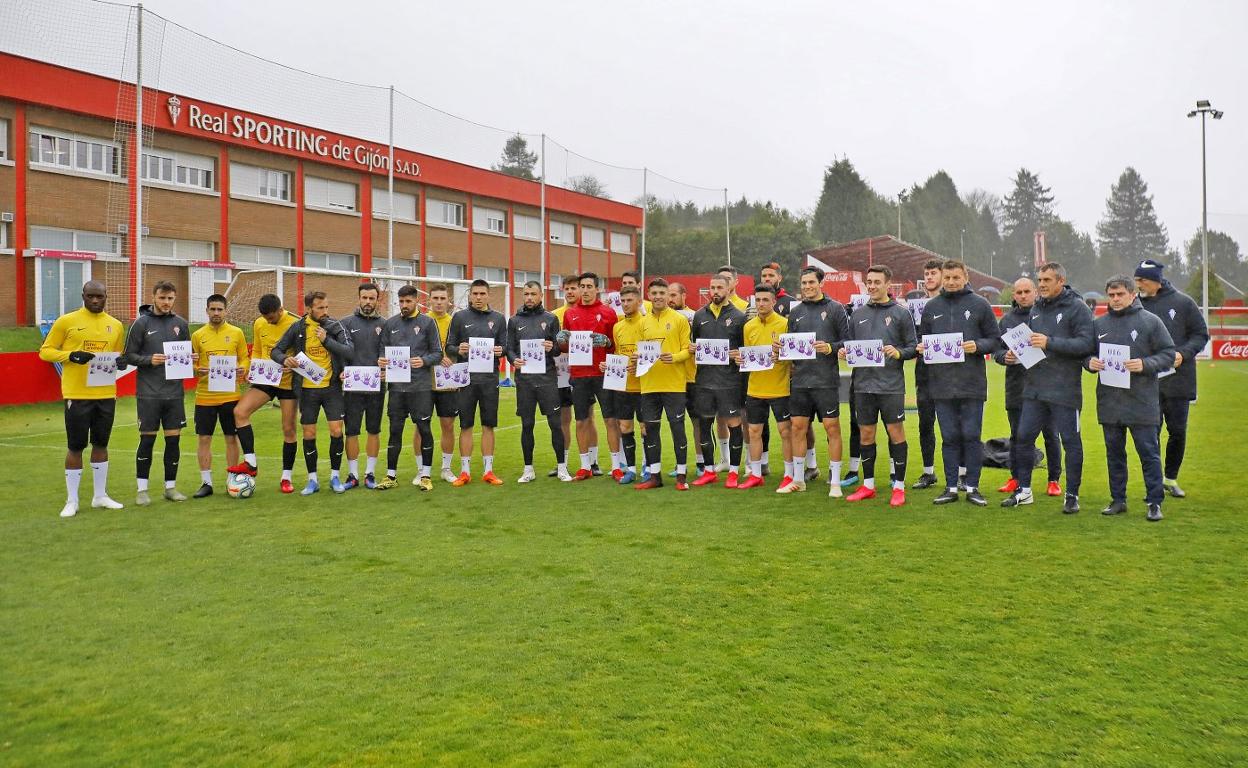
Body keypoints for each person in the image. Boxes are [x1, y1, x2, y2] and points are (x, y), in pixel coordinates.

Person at [1002, 262, 1095, 513]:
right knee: (1022, 439)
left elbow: (1087, 344)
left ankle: (1072, 495)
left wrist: (1049, 342)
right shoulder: (1035, 310)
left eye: (1046, 280)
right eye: (1040, 280)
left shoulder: (1077, 308)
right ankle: (1024, 491)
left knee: (1070, 442)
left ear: (1061, 281)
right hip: (1034, 389)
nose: (1041, 284)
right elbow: (1034, 345)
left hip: (1064, 391)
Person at [1084, 276, 1176, 521]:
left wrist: (1145, 364)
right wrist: (1089, 363)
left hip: (1142, 401)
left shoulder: (1150, 322)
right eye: (1111, 295)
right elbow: (1086, 354)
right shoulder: (1098, 324)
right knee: (1114, 453)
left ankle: (1155, 502)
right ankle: (1118, 500)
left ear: (1133, 294)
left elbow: (1169, 354)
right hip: (1109, 400)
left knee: (1148, 453)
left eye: (1120, 295)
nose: (1115, 299)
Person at [915, 259, 1002, 506]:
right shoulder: (932, 307)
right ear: (942, 278)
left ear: (966, 276)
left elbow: (995, 340)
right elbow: (923, 340)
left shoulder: (980, 305)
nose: (951, 282)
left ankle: (972, 487)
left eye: (956, 277)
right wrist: (922, 347)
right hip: (941, 385)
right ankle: (951, 487)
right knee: (950, 437)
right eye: (948, 278)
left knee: (971, 436)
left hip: (972, 384)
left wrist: (978, 346)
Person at [39, 280, 126, 517]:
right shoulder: (67, 321)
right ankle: (72, 500)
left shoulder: (115, 325)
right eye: (91, 296)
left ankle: (100, 496)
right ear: (83, 296)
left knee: (101, 444)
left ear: (106, 296)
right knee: (75, 446)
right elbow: (46, 351)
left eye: (100, 296)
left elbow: (118, 355)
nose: (95, 300)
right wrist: (70, 355)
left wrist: (122, 361)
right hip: (77, 395)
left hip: (106, 393)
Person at [840, 265, 917, 507]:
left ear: (887, 284)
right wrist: (844, 352)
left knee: (896, 434)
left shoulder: (901, 314)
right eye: (869, 282)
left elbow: (913, 347)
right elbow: (850, 345)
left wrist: (898, 352)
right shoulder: (858, 314)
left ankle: (899, 487)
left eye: (876, 282)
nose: (872, 286)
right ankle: (868, 485)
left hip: (891, 386)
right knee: (866, 434)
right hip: (862, 385)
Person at [1136, 258, 1210, 498]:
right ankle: (1155, 482)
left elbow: (1200, 335)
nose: (1139, 285)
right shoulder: (1136, 305)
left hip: (1180, 380)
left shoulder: (1183, 303)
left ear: (1156, 281)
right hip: (1148, 381)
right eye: (1136, 280)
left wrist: (1182, 353)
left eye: (1142, 280)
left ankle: (1171, 478)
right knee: (1151, 432)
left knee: (1177, 431)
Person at [271, 290, 354, 495]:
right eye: (320, 308)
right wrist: (284, 359)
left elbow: (349, 351)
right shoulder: (298, 327)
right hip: (308, 391)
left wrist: (327, 340)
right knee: (309, 433)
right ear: (309, 309)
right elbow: (276, 350)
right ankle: (312, 480)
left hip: (332, 387)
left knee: (336, 431)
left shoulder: (335, 326)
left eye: (326, 307)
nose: (325, 311)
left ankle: (335, 476)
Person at [122, 280, 192, 505]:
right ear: (153, 297)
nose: (166, 302)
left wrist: (191, 359)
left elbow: (185, 356)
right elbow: (128, 356)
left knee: (173, 442)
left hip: (174, 394)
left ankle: (170, 488)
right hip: (149, 394)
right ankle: (142, 489)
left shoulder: (181, 324)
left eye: (170, 298)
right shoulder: (141, 324)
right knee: (147, 441)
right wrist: (149, 360)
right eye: (162, 298)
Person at [782, 266, 849, 496]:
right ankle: (799, 480)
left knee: (832, 428)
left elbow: (847, 342)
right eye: (804, 283)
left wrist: (831, 347)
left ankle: (836, 482)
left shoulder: (835, 309)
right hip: (800, 381)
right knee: (797, 428)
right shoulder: (796, 311)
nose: (808, 287)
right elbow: (791, 347)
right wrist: (781, 350)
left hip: (825, 381)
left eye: (811, 282)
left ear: (821, 283)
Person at [994, 277, 1063, 496]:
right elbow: (996, 350)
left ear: (1035, 292)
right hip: (1016, 386)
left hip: (1046, 385)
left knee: (1050, 434)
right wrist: (1005, 356)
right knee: (1017, 436)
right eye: (1019, 292)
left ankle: (1053, 479)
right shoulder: (1006, 321)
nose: (1023, 295)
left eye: (1027, 291)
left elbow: (1058, 345)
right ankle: (1016, 477)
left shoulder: (1047, 315)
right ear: (1013, 295)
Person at [228, 294, 301, 493]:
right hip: (266, 379)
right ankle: (250, 463)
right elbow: (259, 352)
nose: (269, 321)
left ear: (280, 309)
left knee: (288, 429)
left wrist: (292, 365)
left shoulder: (295, 324)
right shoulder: (259, 323)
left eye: (272, 317)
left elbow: (302, 355)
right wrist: (253, 370)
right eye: (266, 318)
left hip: (288, 383)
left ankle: (286, 477)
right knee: (240, 412)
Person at [374, 285, 443, 491]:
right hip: (396, 388)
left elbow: (437, 353)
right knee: (395, 430)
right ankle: (391, 476)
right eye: (401, 302)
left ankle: (426, 475)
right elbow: (382, 353)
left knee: (424, 428)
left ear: (416, 301)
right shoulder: (391, 324)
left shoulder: (428, 323)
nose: (404, 305)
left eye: (408, 301)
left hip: (420, 387)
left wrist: (423, 361)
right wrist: (382, 363)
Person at [445, 279, 507, 486]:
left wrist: (502, 350)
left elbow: (505, 346)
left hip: (489, 379)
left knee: (489, 424)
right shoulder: (459, 317)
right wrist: (458, 349)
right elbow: (449, 347)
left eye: (482, 294)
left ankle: (488, 471)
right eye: (475, 294)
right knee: (466, 425)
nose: (478, 298)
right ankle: (465, 472)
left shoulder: (498, 319)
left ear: (488, 295)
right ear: (470, 295)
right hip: (466, 379)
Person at [507, 280, 570, 483]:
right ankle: (528, 469)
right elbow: (510, 348)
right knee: (527, 424)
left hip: (547, 379)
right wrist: (513, 359)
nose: (529, 298)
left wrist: (551, 347)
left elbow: (559, 349)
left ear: (541, 295)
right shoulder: (514, 320)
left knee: (555, 423)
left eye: (533, 294)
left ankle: (562, 467)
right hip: (524, 380)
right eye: (526, 294)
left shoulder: (551, 319)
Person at [688, 273, 746, 488]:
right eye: (712, 288)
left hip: (729, 381)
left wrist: (736, 354)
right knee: (704, 424)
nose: (715, 292)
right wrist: (693, 349)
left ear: (729, 288)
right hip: (703, 380)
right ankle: (709, 470)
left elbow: (745, 350)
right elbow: (694, 344)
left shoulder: (739, 317)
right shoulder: (699, 315)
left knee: (733, 424)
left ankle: (733, 472)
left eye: (719, 287)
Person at [635, 278, 692, 490]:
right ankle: (654, 476)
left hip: (674, 385)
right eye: (654, 293)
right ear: (649, 296)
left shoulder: (679, 319)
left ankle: (681, 476)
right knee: (650, 430)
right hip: (649, 385)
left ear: (668, 295)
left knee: (677, 429)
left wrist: (675, 357)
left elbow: (688, 350)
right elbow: (639, 351)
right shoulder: (642, 322)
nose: (658, 296)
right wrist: (635, 358)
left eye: (662, 293)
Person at [559, 272, 618, 480]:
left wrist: (608, 343)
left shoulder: (608, 313)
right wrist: (561, 340)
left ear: (597, 289)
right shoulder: (570, 313)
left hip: (602, 373)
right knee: (582, 420)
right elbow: (565, 345)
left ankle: (616, 466)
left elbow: (615, 344)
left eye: (588, 287)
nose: (584, 290)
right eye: (581, 286)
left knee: (610, 420)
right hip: (579, 374)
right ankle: (585, 466)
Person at [189, 294, 249, 498]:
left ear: (226, 311)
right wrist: (198, 369)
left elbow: (244, 358)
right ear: (207, 311)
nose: (216, 313)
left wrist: (242, 368)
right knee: (204, 438)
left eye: (219, 309)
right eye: (212, 309)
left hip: (230, 396)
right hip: (205, 396)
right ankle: (206, 482)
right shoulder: (197, 335)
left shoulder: (237, 333)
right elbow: (192, 365)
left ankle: (232, 479)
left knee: (231, 438)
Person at [735, 284, 792, 489]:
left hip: (780, 388)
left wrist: (782, 356)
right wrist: (741, 360)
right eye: (757, 300)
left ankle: (789, 473)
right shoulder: (748, 326)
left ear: (774, 302)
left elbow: (792, 358)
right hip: (755, 388)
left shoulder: (785, 324)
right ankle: (756, 474)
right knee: (754, 432)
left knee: (786, 432)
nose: (761, 304)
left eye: (765, 300)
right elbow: (748, 356)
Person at [338, 282, 387, 489]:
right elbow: (339, 352)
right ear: (358, 298)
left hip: (377, 385)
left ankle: (370, 474)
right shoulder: (345, 323)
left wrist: (387, 367)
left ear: (378, 300)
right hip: (353, 387)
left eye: (372, 299)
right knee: (352, 431)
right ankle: (352, 475)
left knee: (373, 430)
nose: (368, 302)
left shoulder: (386, 324)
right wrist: (341, 370)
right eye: (364, 298)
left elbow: (389, 351)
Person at [910, 258, 946, 490]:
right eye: (927, 273)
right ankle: (928, 472)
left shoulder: (951, 305)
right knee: (925, 424)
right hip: (924, 372)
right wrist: (914, 346)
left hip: (949, 374)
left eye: (934, 273)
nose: (929, 277)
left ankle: (961, 474)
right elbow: (909, 338)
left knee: (951, 426)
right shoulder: (915, 305)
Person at [606, 286, 647, 483]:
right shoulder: (618, 327)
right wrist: (608, 363)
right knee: (625, 426)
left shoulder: (646, 324)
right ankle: (630, 469)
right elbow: (619, 353)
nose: (626, 304)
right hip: (622, 386)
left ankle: (648, 466)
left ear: (639, 302)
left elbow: (651, 355)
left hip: (643, 387)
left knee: (645, 427)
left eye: (630, 300)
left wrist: (639, 364)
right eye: (623, 301)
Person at [423, 285, 460, 483]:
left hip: (448, 382)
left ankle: (446, 468)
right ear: (429, 300)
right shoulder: (421, 322)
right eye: (435, 298)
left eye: (442, 298)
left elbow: (460, 348)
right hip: (424, 382)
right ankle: (422, 470)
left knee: (447, 424)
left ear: (448, 301)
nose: (438, 301)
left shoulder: (455, 322)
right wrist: (435, 358)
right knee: (422, 425)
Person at [547, 275, 579, 477]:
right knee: (563, 418)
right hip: (560, 372)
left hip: (583, 371)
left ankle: (592, 462)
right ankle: (563, 463)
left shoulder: (586, 313)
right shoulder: (554, 316)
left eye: (573, 288)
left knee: (586, 417)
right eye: (566, 288)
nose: (570, 292)